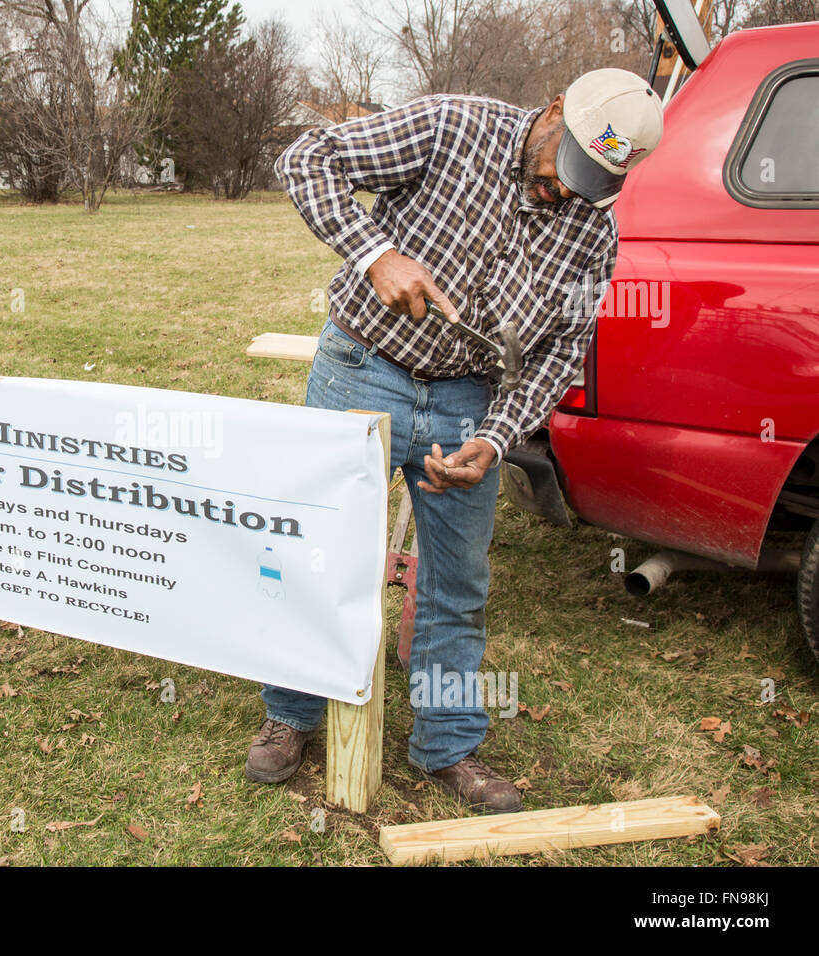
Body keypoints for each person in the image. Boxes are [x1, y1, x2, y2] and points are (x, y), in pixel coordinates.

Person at [246, 69, 664, 812]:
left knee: (459, 581)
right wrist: (377, 253)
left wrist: (496, 440)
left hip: (469, 400)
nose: (565, 193)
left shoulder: (591, 235)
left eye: (590, 183)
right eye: (564, 167)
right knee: (317, 552)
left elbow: (560, 355)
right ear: (556, 110)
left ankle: (448, 746)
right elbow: (308, 158)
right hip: (362, 368)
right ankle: (293, 712)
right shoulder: (452, 126)